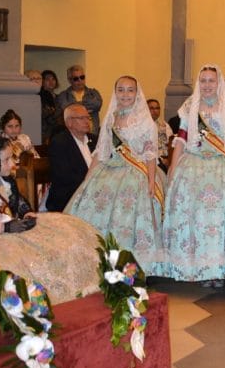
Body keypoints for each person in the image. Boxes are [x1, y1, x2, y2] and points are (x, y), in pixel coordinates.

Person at [0, 131, 102, 306]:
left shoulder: (4, 180)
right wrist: (3, 228)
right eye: (6, 160)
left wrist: (27, 213)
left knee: (65, 231)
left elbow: (18, 202)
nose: (12, 163)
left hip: (11, 229)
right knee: (29, 259)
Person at [65, 76, 165, 275]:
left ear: (137, 94)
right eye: (121, 90)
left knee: (127, 219)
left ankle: (130, 266)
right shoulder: (111, 117)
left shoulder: (145, 121)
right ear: (115, 92)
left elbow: (150, 154)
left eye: (130, 90)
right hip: (110, 170)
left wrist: (151, 182)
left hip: (136, 174)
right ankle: (98, 262)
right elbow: (102, 151)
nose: (125, 94)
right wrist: (88, 178)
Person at [158, 65, 225, 288]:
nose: (207, 85)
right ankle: (197, 266)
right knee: (197, 218)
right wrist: (172, 170)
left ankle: (222, 268)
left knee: (221, 217)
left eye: (211, 81)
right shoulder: (190, 107)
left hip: (223, 167)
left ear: (219, 83)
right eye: (203, 81)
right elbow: (181, 140)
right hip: (193, 165)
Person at [46, 104, 98, 212]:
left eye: (88, 117)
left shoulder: (96, 140)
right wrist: (92, 185)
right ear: (69, 122)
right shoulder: (59, 142)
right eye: (81, 118)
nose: (87, 121)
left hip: (95, 195)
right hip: (69, 199)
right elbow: (65, 177)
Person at [55, 65, 103, 135]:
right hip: (72, 135)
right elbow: (66, 109)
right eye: (76, 78)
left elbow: (97, 104)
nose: (80, 80)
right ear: (69, 80)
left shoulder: (93, 93)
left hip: (92, 133)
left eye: (82, 77)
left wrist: (75, 107)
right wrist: (86, 109)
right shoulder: (63, 96)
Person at [147, 98, 173, 172]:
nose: (155, 111)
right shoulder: (142, 126)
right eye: (151, 108)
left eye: (157, 108)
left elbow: (171, 143)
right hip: (152, 158)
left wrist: (169, 159)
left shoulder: (164, 125)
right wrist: (161, 159)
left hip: (166, 157)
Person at [40, 70, 59, 144]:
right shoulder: (40, 97)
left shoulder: (59, 97)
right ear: (42, 81)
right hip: (45, 132)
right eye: (47, 79)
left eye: (53, 79)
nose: (51, 82)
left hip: (57, 132)